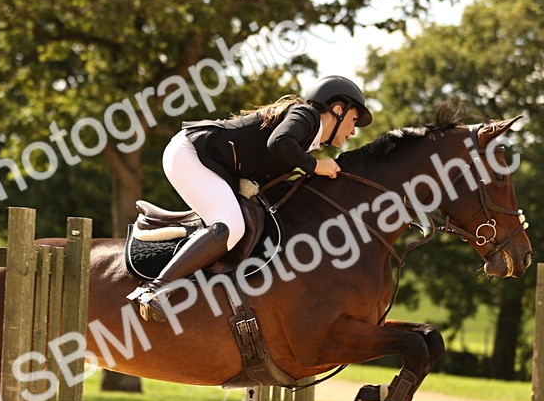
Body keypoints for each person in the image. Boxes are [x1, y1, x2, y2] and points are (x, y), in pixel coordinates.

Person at [127, 75, 373, 322]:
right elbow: (279, 141)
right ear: (337, 110)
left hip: (204, 160)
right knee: (230, 226)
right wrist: (315, 166)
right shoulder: (306, 115)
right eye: (353, 120)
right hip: (190, 154)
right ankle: (154, 289)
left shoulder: (309, 140)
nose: (353, 131)